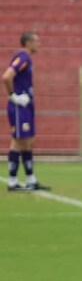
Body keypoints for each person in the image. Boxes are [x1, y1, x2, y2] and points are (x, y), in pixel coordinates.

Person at [6, 32, 40, 191]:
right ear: (28, 43)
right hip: (20, 106)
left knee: (28, 141)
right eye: (36, 41)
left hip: (27, 105)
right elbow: (6, 77)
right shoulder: (23, 57)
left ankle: (31, 179)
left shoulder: (28, 59)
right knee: (18, 141)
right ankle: (12, 181)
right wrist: (14, 96)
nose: (39, 44)